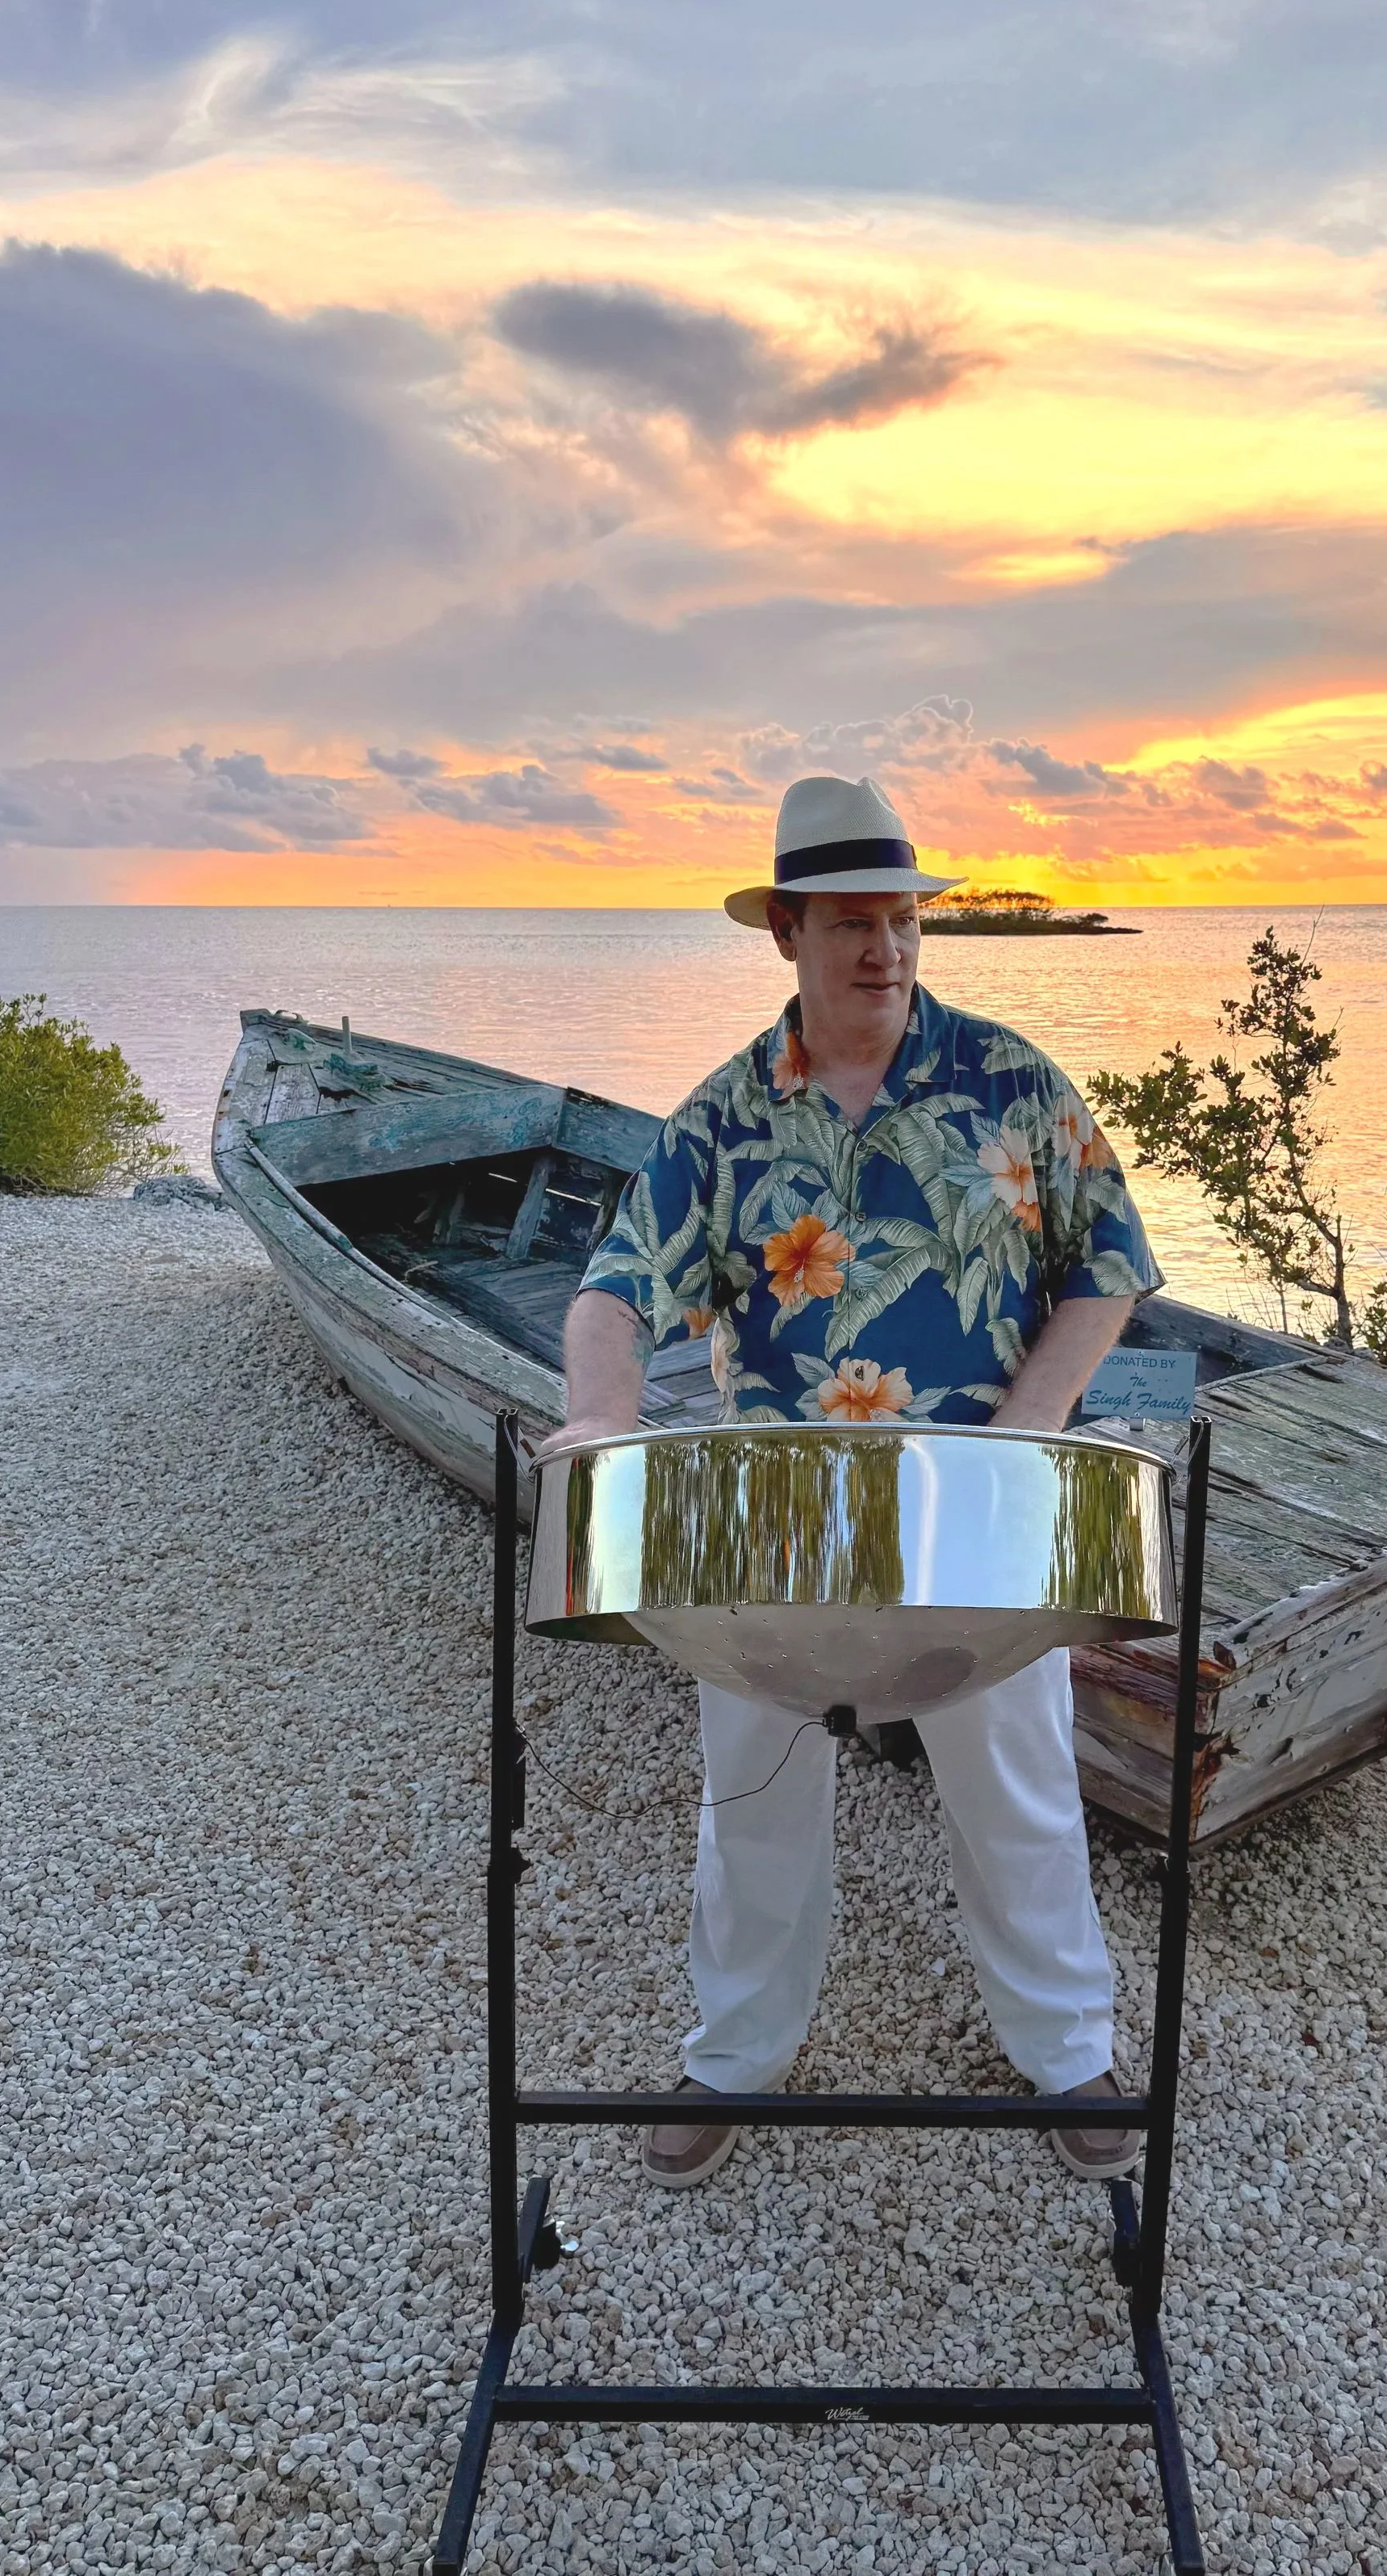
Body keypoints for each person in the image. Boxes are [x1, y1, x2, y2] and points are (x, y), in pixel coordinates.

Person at [541, 773, 1163, 2188]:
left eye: (899, 920)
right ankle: (735, 2058)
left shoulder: (1012, 1082)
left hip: (977, 1512)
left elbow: (1107, 1268)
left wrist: (1032, 1428)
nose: (881, 948)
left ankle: (1068, 2054)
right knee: (752, 1800)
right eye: (849, 924)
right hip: (773, 1524)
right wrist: (597, 1420)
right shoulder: (718, 1123)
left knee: (1017, 1792)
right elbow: (612, 1293)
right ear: (789, 937)